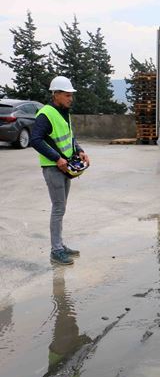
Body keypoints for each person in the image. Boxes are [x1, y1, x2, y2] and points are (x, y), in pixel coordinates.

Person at [31, 76, 90, 265]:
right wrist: (57, 159)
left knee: (61, 208)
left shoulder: (64, 112)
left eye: (71, 95)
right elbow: (36, 140)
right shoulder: (45, 114)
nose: (70, 98)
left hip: (65, 167)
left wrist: (79, 151)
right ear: (55, 94)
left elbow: (70, 137)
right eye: (67, 95)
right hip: (53, 167)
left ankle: (60, 245)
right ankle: (56, 251)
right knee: (58, 208)